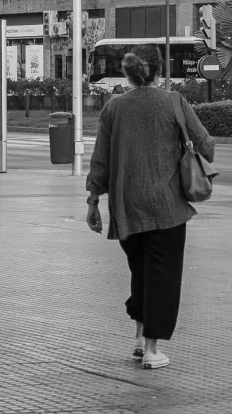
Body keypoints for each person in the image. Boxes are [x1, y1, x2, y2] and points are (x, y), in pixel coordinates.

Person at [85, 45, 215, 371]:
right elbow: (206, 146)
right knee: (163, 277)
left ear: (128, 73)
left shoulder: (114, 107)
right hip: (167, 207)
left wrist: (93, 201)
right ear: (159, 69)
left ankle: (140, 338)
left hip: (126, 207)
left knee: (141, 272)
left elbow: (100, 160)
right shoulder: (173, 102)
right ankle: (153, 350)